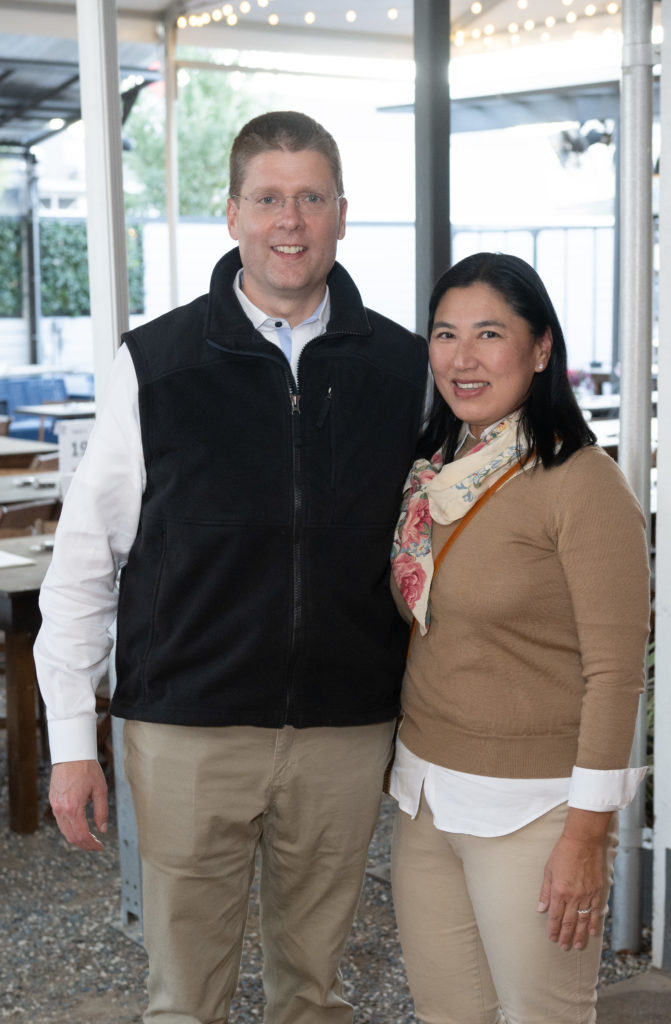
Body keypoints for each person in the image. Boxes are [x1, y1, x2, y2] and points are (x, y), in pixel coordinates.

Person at [34, 110, 427, 1024]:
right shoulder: (156, 363)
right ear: (232, 215)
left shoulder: (403, 368)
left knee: (314, 993)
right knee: (183, 999)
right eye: (268, 199)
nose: (289, 220)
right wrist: (67, 744)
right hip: (188, 731)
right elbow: (86, 560)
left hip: (342, 727)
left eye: (309, 198)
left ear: (340, 214)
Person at [389, 252, 651, 1024]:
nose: (461, 358)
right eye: (444, 334)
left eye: (488, 334)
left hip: (534, 814)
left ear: (539, 350)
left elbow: (616, 674)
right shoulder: (436, 472)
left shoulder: (580, 482)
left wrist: (587, 835)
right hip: (423, 796)